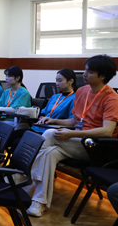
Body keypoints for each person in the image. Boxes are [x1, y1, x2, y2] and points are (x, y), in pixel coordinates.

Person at [26, 55, 118, 217]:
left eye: (90, 72)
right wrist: (54, 120)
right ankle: (39, 202)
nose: (84, 74)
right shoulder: (82, 91)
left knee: (49, 133)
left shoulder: (111, 98)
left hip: (97, 147)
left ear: (102, 76)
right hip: (77, 141)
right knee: (50, 153)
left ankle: (22, 177)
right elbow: (75, 121)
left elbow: (107, 131)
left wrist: (72, 133)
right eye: (85, 70)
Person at [31, 69, 76, 134]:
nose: (57, 84)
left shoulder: (75, 98)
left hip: (54, 130)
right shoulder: (54, 97)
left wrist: (54, 121)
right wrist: (41, 118)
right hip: (41, 127)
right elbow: (43, 112)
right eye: (56, 81)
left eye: (60, 81)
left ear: (71, 81)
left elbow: (72, 121)